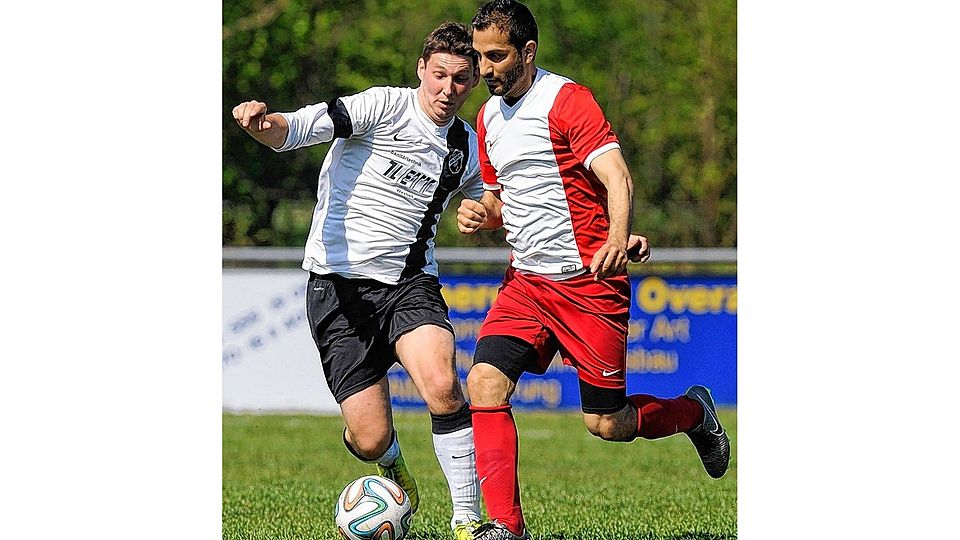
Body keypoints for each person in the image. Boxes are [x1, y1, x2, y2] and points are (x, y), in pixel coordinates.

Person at [456, 2, 732, 539]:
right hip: (527, 284)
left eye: (497, 56)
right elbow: (500, 199)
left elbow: (617, 178)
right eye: (479, 56)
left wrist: (614, 237)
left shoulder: (567, 100)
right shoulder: (487, 119)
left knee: (607, 423)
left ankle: (694, 413)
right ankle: (506, 529)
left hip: (588, 287)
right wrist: (480, 213)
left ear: (527, 52)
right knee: (485, 384)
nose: (485, 69)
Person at [232, 22, 485, 540]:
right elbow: (303, 126)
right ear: (421, 70)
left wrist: (484, 210)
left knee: (443, 385)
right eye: (439, 75)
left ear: (474, 81)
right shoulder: (382, 107)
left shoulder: (465, 143)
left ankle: (468, 521)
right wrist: (265, 125)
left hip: (409, 284)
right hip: (337, 287)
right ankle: (392, 471)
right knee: (369, 439)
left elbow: (488, 196)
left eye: (461, 79)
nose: (447, 89)